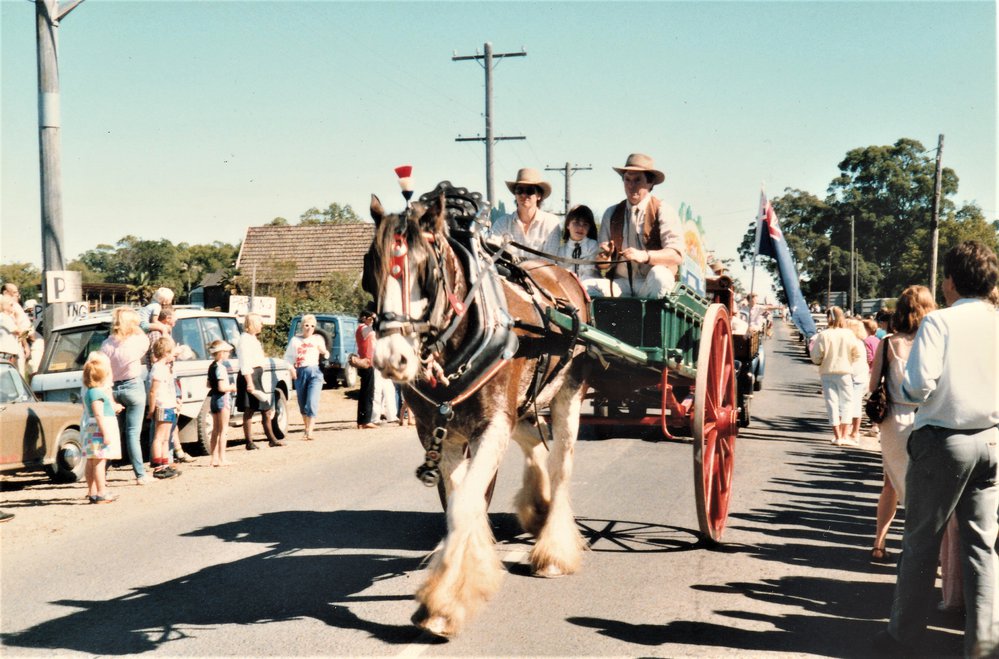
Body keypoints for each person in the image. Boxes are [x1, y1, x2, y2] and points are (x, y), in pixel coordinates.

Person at [876, 241, 999, 658]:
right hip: (991, 440)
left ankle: (904, 636)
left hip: (944, 438)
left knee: (920, 544)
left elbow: (916, 385)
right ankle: (983, 644)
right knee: (981, 547)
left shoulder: (940, 323)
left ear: (950, 280)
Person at [595, 153, 684, 298]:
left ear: (650, 183)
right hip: (621, 283)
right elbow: (603, 265)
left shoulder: (663, 210)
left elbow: (676, 255)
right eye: (627, 179)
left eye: (637, 180)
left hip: (650, 283)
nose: (631, 186)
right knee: (588, 288)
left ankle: (653, 320)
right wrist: (604, 258)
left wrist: (644, 256)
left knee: (659, 276)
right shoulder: (611, 213)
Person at [100, 307, 151, 485]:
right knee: (132, 434)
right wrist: (137, 328)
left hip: (112, 388)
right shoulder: (135, 342)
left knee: (112, 433)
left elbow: (103, 370)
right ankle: (140, 474)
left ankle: (102, 472)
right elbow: (146, 340)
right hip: (133, 385)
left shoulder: (106, 345)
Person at [809, 306, 862, 446]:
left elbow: (815, 357)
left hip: (827, 372)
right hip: (845, 372)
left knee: (831, 403)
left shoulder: (823, 335)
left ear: (828, 318)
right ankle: (845, 435)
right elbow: (857, 353)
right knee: (847, 403)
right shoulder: (848, 334)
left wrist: (822, 361)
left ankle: (837, 436)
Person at [490, 167, 563, 259]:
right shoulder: (502, 223)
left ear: (539, 195)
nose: (524, 195)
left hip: (540, 273)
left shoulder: (551, 223)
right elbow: (491, 250)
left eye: (529, 191)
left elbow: (548, 261)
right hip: (507, 273)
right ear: (515, 194)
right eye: (519, 190)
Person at [236, 312, 284, 448]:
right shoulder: (244, 340)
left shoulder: (252, 339)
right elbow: (245, 363)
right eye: (260, 322)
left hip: (256, 375)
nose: (262, 325)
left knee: (264, 408)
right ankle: (251, 441)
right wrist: (249, 382)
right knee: (251, 410)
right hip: (249, 376)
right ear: (252, 324)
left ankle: (270, 439)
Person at [81, 353, 123, 503]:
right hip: (99, 430)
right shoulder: (97, 393)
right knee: (99, 462)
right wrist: (105, 433)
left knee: (92, 461)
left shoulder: (90, 392)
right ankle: (101, 492)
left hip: (92, 429)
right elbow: (99, 414)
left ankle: (93, 492)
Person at [284, 314, 329, 440]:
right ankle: (306, 427)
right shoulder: (295, 340)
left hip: (315, 372)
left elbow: (326, 353)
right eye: (307, 325)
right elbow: (287, 358)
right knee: (302, 403)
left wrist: (324, 352)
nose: (309, 328)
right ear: (302, 326)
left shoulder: (318, 339)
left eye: (312, 326)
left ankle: (310, 431)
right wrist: (291, 368)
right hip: (300, 372)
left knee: (312, 402)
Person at [550, 205, 605, 297]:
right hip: (567, 289)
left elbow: (590, 273)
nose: (580, 228)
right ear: (568, 225)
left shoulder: (593, 246)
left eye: (585, 224)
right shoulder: (561, 251)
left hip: (591, 289)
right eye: (576, 223)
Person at [146, 336, 181, 480]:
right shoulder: (158, 368)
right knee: (159, 437)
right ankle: (158, 466)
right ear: (165, 353)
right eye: (172, 353)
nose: (174, 355)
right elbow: (153, 391)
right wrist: (152, 409)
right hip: (162, 406)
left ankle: (165, 464)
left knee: (167, 437)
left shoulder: (165, 368)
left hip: (169, 405)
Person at [207, 340, 236, 467]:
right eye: (226, 352)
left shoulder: (211, 366)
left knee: (215, 430)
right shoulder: (221, 368)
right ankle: (222, 458)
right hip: (222, 398)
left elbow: (208, 384)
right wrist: (232, 387)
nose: (228, 354)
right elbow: (222, 387)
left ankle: (213, 458)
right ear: (221, 353)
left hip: (213, 399)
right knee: (223, 430)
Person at [846, 318, 870, 444]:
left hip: (853, 375)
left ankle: (854, 431)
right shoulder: (861, 342)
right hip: (861, 375)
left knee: (850, 404)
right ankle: (854, 430)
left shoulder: (852, 342)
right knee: (856, 404)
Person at [355, 309, 378, 429]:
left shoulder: (363, 328)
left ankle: (362, 420)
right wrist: (375, 317)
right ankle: (366, 420)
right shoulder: (363, 328)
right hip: (367, 363)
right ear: (364, 318)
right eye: (370, 318)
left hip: (367, 362)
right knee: (368, 392)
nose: (372, 321)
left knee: (365, 392)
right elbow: (372, 328)